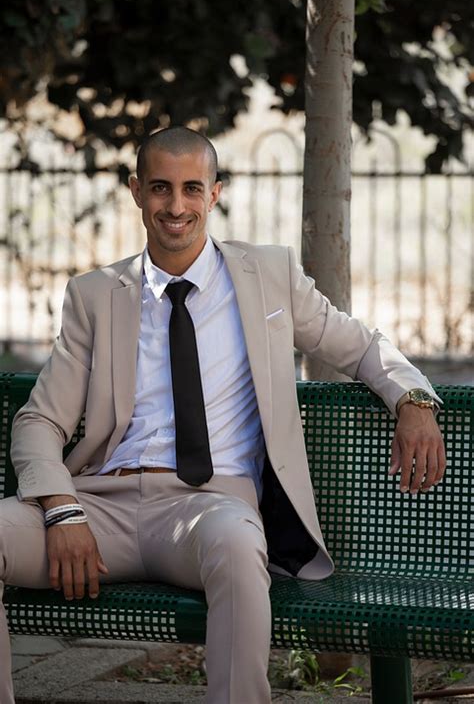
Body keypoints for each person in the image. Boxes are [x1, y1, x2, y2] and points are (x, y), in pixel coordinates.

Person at [0, 127, 446, 704]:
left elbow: (360, 346)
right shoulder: (96, 295)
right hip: (101, 508)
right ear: (136, 191)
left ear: (214, 193)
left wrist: (413, 401)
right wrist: (62, 511)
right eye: (160, 188)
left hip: (210, 509)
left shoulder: (268, 276)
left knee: (238, 548)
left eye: (192, 188)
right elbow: (40, 421)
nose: (176, 206)